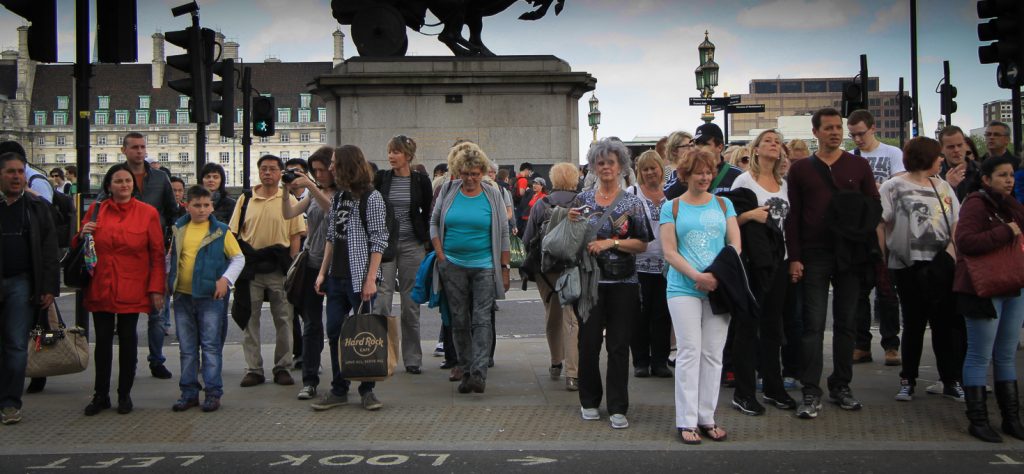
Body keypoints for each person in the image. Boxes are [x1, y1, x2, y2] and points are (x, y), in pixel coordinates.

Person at [786, 107, 880, 420]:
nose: (835, 133)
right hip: (814, 253)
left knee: (846, 322)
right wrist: (795, 256)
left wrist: (863, 239)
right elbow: (794, 216)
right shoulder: (800, 170)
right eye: (827, 128)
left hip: (850, 254)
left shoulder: (858, 165)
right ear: (815, 133)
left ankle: (841, 384)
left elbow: (874, 207)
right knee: (813, 325)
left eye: (837, 128)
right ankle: (810, 389)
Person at [660, 148, 739, 444]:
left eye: (709, 171)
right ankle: (686, 420)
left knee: (713, 353)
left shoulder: (724, 204)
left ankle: (707, 416)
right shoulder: (673, 207)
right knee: (690, 351)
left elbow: (735, 244)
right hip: (683, 287)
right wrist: (697, 277)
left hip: (719, 286)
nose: (705, 177)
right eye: (698, 172)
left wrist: (717, 275)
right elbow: (669, 251)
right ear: (686, 175)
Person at [877, 137, 965, 403]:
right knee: (913, 324)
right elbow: (881, 222)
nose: (941, 159)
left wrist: (952, 256)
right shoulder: (894, 186)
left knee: (943, 325)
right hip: (907, 265)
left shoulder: (944, 187)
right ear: (926, 156)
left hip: (940, 266)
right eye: (937, 155)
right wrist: (883, 259)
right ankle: (908, 380)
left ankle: (950, 380)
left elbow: (956, 225)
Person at [571, 138, 651, 430]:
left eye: (611, 163)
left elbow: (642, 244)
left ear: (621, 167)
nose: (606, 167)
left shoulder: (632, 202)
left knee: (619, 346)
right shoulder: (583, 200)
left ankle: (618, 406)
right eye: (600, 163)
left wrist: (611, 242)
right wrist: (568, 222)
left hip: (623, 282)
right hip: (590, 281)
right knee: (588, 343)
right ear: (593, 166)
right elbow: (572, 242)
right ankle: (589, 401)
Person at [81, 163, 166, 415]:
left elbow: (157, 254)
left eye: (128, 181)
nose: (124, 185)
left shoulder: (148, 213)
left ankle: (124, 394)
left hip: (132, 284)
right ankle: (100, 394)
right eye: (118, 181)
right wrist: (83, 234)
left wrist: (156, 289)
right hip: (102, 283)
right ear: (109, 186)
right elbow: (81, 247)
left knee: (129, 340)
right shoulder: (96, 210)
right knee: (103, 341)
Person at [430, 142, 510, 395]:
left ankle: (478, 373)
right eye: (466, 173)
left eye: (476, 173)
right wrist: (441, 256)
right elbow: (433, 223)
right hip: (452, 265)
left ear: (483, 172)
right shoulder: (448, 190)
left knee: (482, 319)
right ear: (458, 171)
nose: (471, 178)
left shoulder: (492, 193)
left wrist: (505, 267)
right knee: (459, 319)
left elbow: (504, 232)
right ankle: (465, 369)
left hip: (485, 265)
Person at [726, 129, 797, 415]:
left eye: (778, 142)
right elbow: (730, 220)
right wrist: (749, 215)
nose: (773, 145)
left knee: (773, 326)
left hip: (780, 261)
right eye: (767, 141)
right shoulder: (744, 181)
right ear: (755, 149)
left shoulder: (784, 184)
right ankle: (743, 392)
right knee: (747, 327)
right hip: (754, 263)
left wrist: (794, 259)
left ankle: (773, 385)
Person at [954, 155, 1024, 443]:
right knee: (979, 354)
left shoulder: (1011, 205)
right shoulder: (976, 204)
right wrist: (1004, 231)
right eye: (1002, 175)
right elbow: (966, 241)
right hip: (982, 287)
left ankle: (1011, 418)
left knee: (1006, 354)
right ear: (986, 179)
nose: (1008, 180)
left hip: (1013, 284)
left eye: (1011, 175)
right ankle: (978, 420)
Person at [312, 145, 387, 412]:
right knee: (334, 332)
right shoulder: (340, 197)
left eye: (334, 163)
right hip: (337, 276)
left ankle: (367, 389)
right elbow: (332, 236)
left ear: (346, 165)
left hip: (359, 277)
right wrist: (322, 272)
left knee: (365, 333)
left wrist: (370, 279)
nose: (330, 167)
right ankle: (339, 388)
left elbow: (379, 240)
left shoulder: (371, 197)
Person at [103, 133, 178, 380]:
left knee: (157, 311)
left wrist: (168, 239)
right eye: (134, 147)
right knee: (126, 315)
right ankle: (129, 363)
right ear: (124, 150)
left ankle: (156, 359)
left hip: (155, 250)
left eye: (143, 147)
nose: (140, 151)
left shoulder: (160, 178)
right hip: (127, 254)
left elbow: (171, 210)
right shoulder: (118, 176)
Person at [229, 155, 306, 388]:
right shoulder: (245, 199)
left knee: (284, 318)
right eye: (263, 169)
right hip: (251, 265)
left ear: (280, 173)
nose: (268, 173)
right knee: (249, 318)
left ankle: (283, 366)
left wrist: (292, 264)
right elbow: (233, 233)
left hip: (279, 265)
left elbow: (296, 234)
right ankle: (254, 368)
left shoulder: (288, 198)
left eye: (273, 169)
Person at [167, 186, 245, 413]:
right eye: (197, 205)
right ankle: (189, 392)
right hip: (183, 295)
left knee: (210, 346)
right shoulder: (179, 228)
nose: (202, 210)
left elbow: (238, 258)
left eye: (206, 205)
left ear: (211, 206)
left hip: (210, 296)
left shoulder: (221, 230)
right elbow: (174, 258)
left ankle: (213, 392)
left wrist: (226, 280)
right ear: (187, 206)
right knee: (187, 348)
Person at [0, 152, 59, 425]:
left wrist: (48, 287)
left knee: (15, 344)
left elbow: (49, 250)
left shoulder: (35, 206)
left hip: (21, 282)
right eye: (11, 172)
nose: (16, 177)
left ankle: (11, 403)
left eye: (20, 172)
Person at [372, 136, 434, 375]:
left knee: (410, 303)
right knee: (382, 300)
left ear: (407, 155)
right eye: (389, 152)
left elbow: (427, 209)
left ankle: (412, 359)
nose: (391, 156)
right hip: (385, 245)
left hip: (412, 244)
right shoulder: (381, 179)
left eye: (396, 152)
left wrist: (426, 240)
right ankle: (381, 355)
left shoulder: (421, 180)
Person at [846, 109, 903, 367]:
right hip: (861, 228)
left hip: (886, 226)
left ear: (872, 129)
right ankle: (861, 344)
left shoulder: (892, 153)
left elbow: (901, 183)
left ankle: (891, 344)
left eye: (861, 133)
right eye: (853, 135)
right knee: (859, 292)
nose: (857, 139)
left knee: (887, 290)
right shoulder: (850, 157)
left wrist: (882, 187)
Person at [281, 147, 335, 401]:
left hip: (338, 267)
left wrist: (311, 186)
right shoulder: (314, 194)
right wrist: (286, 190)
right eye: (315, 171)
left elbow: (332, 212)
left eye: (323, 170)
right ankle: (310, 378)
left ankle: (340, 379)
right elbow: (289, 213)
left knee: (336, 325)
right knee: (311, 323)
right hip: (312, 263)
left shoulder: (344, 193)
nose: (319, 175)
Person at [523, 162, 581, 391]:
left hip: (545, 270)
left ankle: (556, 362)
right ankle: (573, 373)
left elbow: (528, 239)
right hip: (573, 267)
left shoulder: (541, 204)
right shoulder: (582, 202)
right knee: (572, 319)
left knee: (552, 314)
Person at [625, 151, 671, 379]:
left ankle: (660, 361)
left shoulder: (671, 195)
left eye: (654, 168)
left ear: (661, 169)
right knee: (639, 315)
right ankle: (641, 361)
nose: (650, 172)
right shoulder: (631, 194)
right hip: (637, 264)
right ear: (639, 172)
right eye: (645, 169)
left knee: (662, 315)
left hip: (666, 264)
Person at [664, 123, 742, 200]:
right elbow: (670, 195)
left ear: (719, 147)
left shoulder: (736, 174)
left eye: (704, 144)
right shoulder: (681, 172)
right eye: (696, 143)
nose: (697, 148)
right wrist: (687, 175)